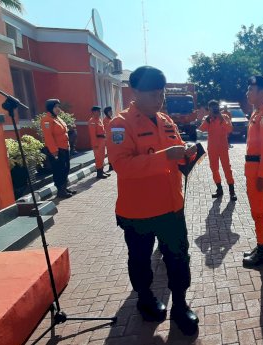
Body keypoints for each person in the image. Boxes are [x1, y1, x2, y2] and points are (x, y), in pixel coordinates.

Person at [107, 66, 200, 335]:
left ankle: (180, 305)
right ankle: (145, 298)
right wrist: (165, 156)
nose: (158, 98)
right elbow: (123, 165)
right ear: (135, 92)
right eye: (152, 93)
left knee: (179, 258)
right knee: (139, 259)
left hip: (171, 207)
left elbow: (178, 156)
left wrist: (188, 153)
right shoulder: (120, 125)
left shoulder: (166, 121)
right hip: (139, 212)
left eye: (161, 93)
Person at [242, 76, 263, 268]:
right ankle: (261, 245)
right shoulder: (256, 114)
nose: (247, 93)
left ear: (262, 93)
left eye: (251, 90)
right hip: (252, 168)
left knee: (260, 212)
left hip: (258, 170)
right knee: (256, 212)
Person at [199, 100, 237, 201]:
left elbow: (229, 129)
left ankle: (232, 191)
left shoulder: (225, 117)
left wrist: (221, 119)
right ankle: (219, 189)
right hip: (212, 148)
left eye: (216, 107)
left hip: (223, 148)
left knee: (226, 168)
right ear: (209, 109)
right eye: (212, 108)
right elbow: (201, 129)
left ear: (218, 107)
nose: (215, 110)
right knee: (214, 169)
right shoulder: (207, 119)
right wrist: (208, 119)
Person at [41, 99, 76, 198]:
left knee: (65, 169)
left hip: (65, 148)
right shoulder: (47, 120)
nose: (58, 109)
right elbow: (48, 137)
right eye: (55, 107)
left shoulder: (57, 119)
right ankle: (60, 190)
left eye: (58, 106)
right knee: (59, 170)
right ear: (50, 108)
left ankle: (64, 188)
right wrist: (54, 151)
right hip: (57, 150)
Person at [88, 106, 110, 179]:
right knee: (98, 158)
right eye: (97, 111)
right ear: (93, 112)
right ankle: (99, 173)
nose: (99, 113)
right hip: (97, 141)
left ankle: (102, 170)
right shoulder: (92, 121)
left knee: (102, 156)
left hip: (102, 141)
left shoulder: (99, 120)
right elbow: (92, 135)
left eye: (99, 111)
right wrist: (95, 144)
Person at [103, 106, 115, 172]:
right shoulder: (105, 120)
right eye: (110, 111)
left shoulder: (111, 119)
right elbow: (107, 130)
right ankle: (110, 165)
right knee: (110, 152)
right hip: (108, 139)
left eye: (111, 111)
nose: (111, 112)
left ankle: (113, 163)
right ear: (107, 112)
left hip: (112, 138)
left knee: (113, 152)